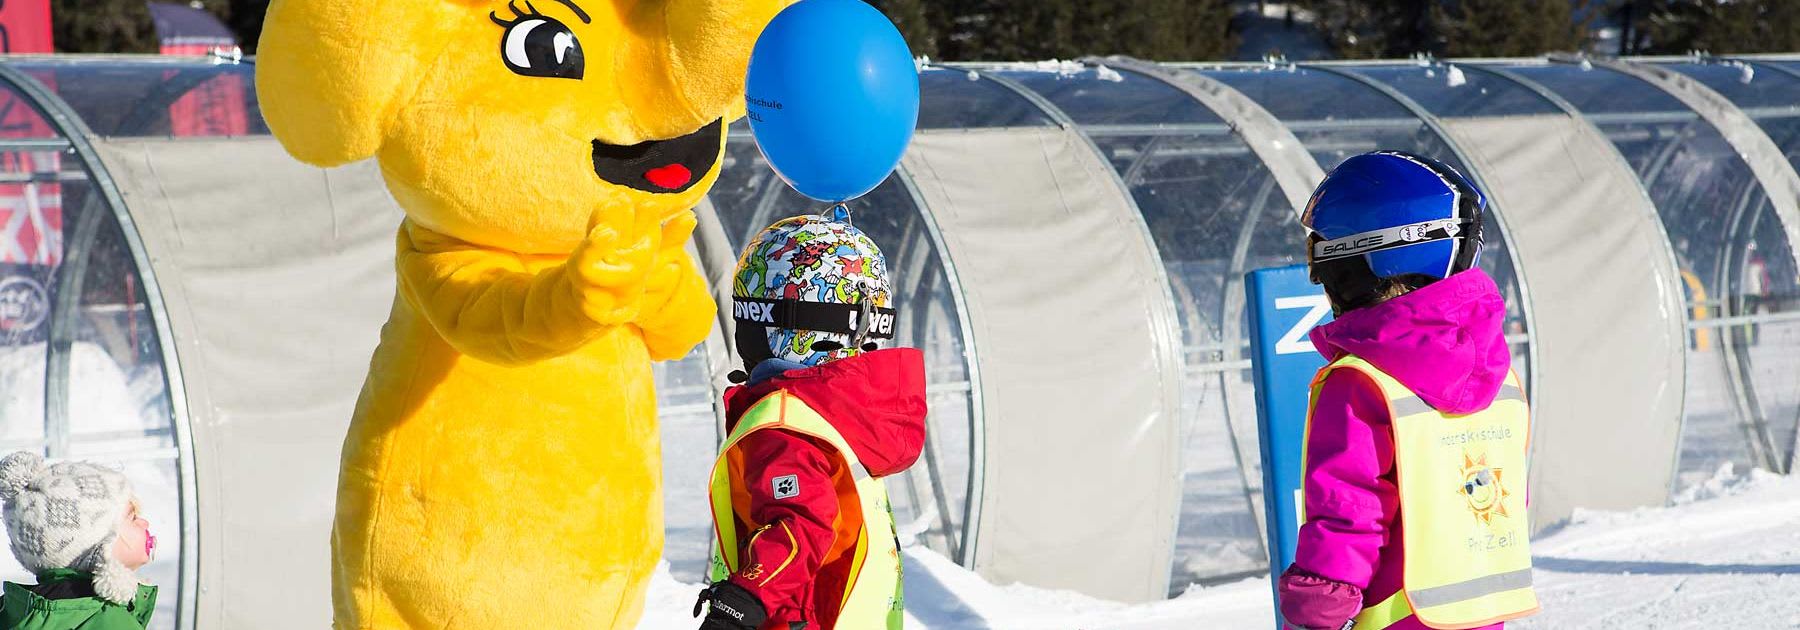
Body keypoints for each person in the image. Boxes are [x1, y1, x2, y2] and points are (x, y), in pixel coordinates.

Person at [1279, 152, 1539, 630]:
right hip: (1476, 614)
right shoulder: (1496, 370)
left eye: (1321, 259)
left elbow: (1350, 511)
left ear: (1361, 261)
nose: (1319, 280)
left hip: (1397, 617)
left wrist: (1319, 602)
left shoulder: (1360, 382)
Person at [693, 212, 924, 630]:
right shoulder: (843, 416)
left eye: (747, 320)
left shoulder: (787, 424)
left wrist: (741, 603)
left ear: (778, 329)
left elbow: (801, 524)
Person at [0, 451, 156, 629]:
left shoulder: (15, 612)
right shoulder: (109, 621)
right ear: (97, 542)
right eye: (133, 518)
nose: (145, 523)